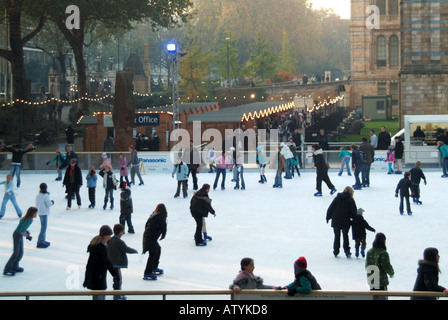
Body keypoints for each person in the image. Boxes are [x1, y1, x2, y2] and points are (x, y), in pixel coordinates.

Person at [83, 225, 119, 300]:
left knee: (101, 296)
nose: (110, 237)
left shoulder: (102, 246)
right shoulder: (97, 248)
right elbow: (90, 264)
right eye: (108, 235)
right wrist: (87, 279)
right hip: (97, 278)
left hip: (100, 277)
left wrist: (114, 274)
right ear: (104, 236)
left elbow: (106, 261)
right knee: (98, 297)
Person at [3, 207, 37, 276]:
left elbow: (21, 225)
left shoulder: (28, 218)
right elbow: (21, 230)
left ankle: (15, 266)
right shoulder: (28, 220)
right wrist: (27, 236)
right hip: (17, 235)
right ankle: (7, 269)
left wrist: (26, 233)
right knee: (16, 253)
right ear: (32, 213)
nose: (36, 214)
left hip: (19, 235)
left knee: (20, 253)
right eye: (35, 213)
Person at [107, 224, 138, 300]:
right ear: (120, 232)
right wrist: (134, 251)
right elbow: (126, 249)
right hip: (116, 263)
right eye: (122, 231)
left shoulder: (110, 240)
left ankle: (118, 293)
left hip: (111, 262)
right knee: (118, 280)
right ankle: (117, 296)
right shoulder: (119, 241)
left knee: (117, 279)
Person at [326, 186, 357, 258]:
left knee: (337, 236)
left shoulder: (337, 198)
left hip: (336, 220)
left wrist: (328, 217)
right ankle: (347, 251)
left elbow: (331, 207)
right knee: (345, 235)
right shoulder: (350, 199)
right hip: (345, 221)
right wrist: (354, 218)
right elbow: (353, 211)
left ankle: (336, 251)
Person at [142, 203, 167, 280]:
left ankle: (154, 267)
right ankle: (147, 273)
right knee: (153, 254)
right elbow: (163, 226)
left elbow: (146, 225)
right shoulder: (161, 216)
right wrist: (163, 235)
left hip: (149, 237)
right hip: (151, 238)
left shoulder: (154, 215)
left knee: (158, 250)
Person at [365, 233, 394, 299]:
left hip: (372, 281)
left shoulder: (369, 252)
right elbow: (386, 266)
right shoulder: (383, 253)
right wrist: (391, 273)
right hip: (381, 282)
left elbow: (367, 266)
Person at [35, 183, 54, 248]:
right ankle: (40, 242)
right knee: (43, 228)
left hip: (40, 212)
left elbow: (37, 204)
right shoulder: (46, 195)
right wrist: (52, 202)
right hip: (44, 213)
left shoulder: (38, 195)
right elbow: (48, 204)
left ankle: (42, 240)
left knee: (43, 227)